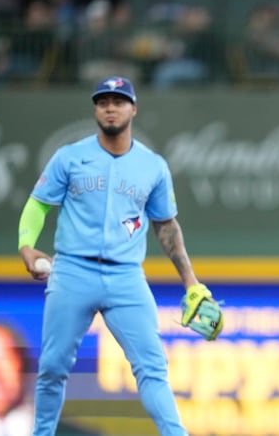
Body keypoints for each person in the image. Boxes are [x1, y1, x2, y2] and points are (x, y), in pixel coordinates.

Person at [16, 76, 223, 436]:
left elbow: (167, 227)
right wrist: (26, 246)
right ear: (95, 109)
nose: (110, 107)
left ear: (134, 108)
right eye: (103, 101)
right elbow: (37, 205)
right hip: (72, 272)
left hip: (126, 277)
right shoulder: (70, 156)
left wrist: (190, 280)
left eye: (118, 100)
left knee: (152, 367)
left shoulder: (152, 165)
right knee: (52, 368)